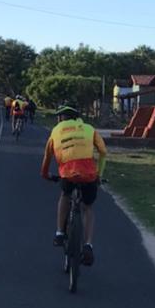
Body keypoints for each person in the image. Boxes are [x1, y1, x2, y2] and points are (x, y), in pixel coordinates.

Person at [40, 104, 108, 266]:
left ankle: (59, 233)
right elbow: (103, 151)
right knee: (88, 207)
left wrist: (46, 175)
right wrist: (99, 174)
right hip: (88, 175)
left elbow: (47, 156)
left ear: (61, 118)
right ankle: (88, 245)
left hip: (68, 174)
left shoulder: (56, 131)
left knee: (65, 195)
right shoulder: (89, 128)